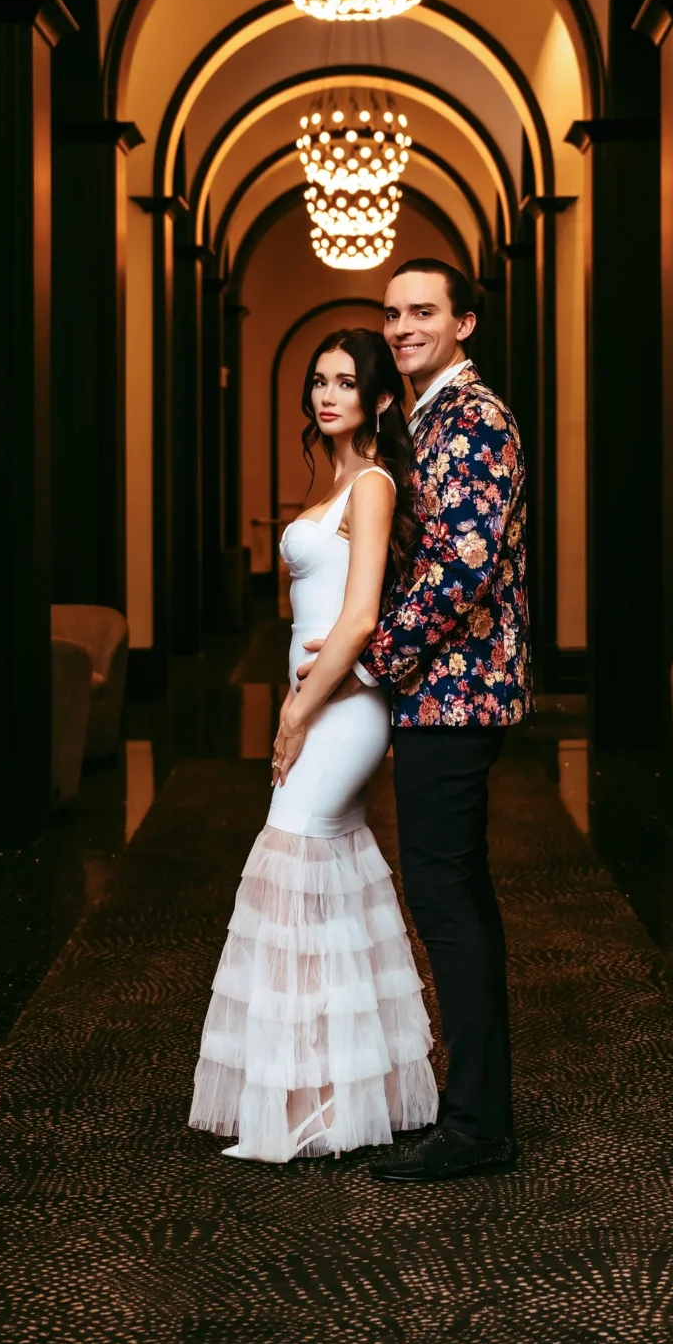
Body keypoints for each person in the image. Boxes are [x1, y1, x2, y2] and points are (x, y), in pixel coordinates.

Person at [302, 260, 528, 1183]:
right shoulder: (421, 417)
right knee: (454, 894)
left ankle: (476, 1128)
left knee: (443, 897)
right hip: (434, 690)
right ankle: (476, 1110)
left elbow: (460, 570)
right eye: (392, 313)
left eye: (423, 312)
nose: (401, 327)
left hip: (456, 690)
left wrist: (367, 656)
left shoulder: (476, 420)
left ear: (464, 323)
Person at [189, 328, 438, 1164]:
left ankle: (312, 1101)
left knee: (293, 864)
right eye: (317, 381)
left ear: (376, 398)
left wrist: (296, 712)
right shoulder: (331, 480)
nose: (326, 395)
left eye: (345, 382)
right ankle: (331, 1097)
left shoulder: (370, 483)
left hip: (346, 706)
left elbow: (362, 616)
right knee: (319, 880)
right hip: (316, 698)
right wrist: (295, 700)